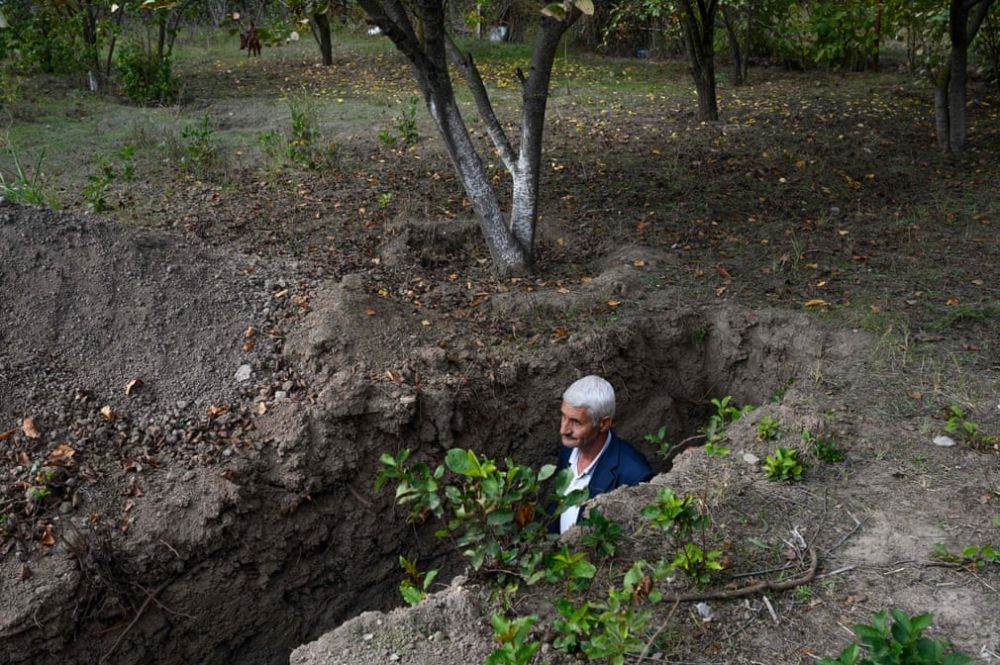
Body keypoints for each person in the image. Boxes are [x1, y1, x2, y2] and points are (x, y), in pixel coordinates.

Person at [555, 375, 654, 534]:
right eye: (563, 416)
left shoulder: (634, 476)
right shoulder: (569, 449)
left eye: (576, 422)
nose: (564, 430)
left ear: (603, 424)